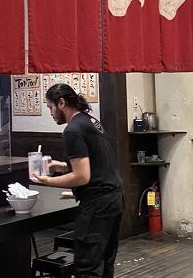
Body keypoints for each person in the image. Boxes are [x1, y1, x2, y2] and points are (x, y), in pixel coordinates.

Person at [32, 83, 123, 278]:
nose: (51, 113)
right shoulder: (90, 121)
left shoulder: (72, 130)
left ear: (61, 103)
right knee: (105, 264)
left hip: (97, 205)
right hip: (114, 200)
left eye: (50, 107)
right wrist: (62, 166)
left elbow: (82, 177)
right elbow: (95, 164)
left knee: (88, 268)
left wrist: (46, 182)